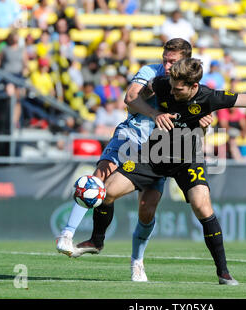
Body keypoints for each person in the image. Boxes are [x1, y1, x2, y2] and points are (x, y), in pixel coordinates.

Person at [99, 58, 246, 285]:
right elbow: (134, 98)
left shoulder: (210, 97)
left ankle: (223, 272)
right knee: (108, 191)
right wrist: (153, 112)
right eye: (171, 86)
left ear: (194, 86)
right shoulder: (162, 83)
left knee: (202, 204)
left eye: (178, 89)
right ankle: (96, 240)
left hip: (187, 159)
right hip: (153, 154)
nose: (173, 91)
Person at [56, 39, 213, 282]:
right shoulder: (151, 72)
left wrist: (203, 121)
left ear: (185, 61)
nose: (167, 64)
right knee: (99, 178)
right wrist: (154, 108)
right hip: (130, 136)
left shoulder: (189, 85)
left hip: (156, 151)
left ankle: (137, 262)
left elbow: (198, 113)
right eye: (165, 59)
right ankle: (68, 234)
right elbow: (130, 97)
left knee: (146, 210)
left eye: (172, 61)